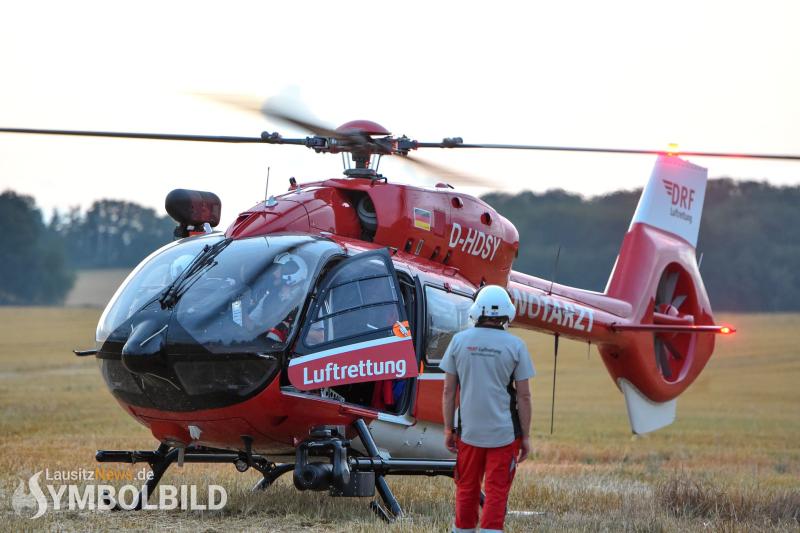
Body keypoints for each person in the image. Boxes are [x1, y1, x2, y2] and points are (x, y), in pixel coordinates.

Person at [440, 285, 535, 533]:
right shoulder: (517, 346)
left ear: (477, 311)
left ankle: (462, 529)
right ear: (507, 313)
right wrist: (525, 437)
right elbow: (524, 396)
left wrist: (449, 429)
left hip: (468, 433)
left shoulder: (458, 341)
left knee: (466, 487)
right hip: (504, 436)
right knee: (496, 491)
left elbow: (449, 391)